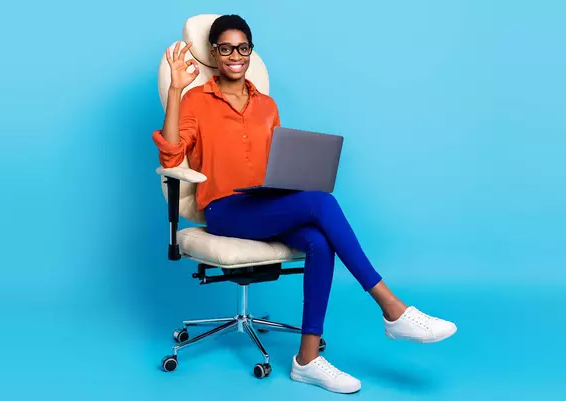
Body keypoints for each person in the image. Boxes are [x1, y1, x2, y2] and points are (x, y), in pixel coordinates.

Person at [152, 15, 457, 394]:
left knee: (318, 238)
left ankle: (307, 360)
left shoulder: (266, 105)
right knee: (322, 204)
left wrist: (291, 180)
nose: (235, 55)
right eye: (226, 48)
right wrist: (177, 93)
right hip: (225, 211)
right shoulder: (197, 99)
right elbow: (170, 157)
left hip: (263, 203)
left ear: (251, 51)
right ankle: (391, 308)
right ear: (214, 52)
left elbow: (274, 164)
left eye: (243, 47)